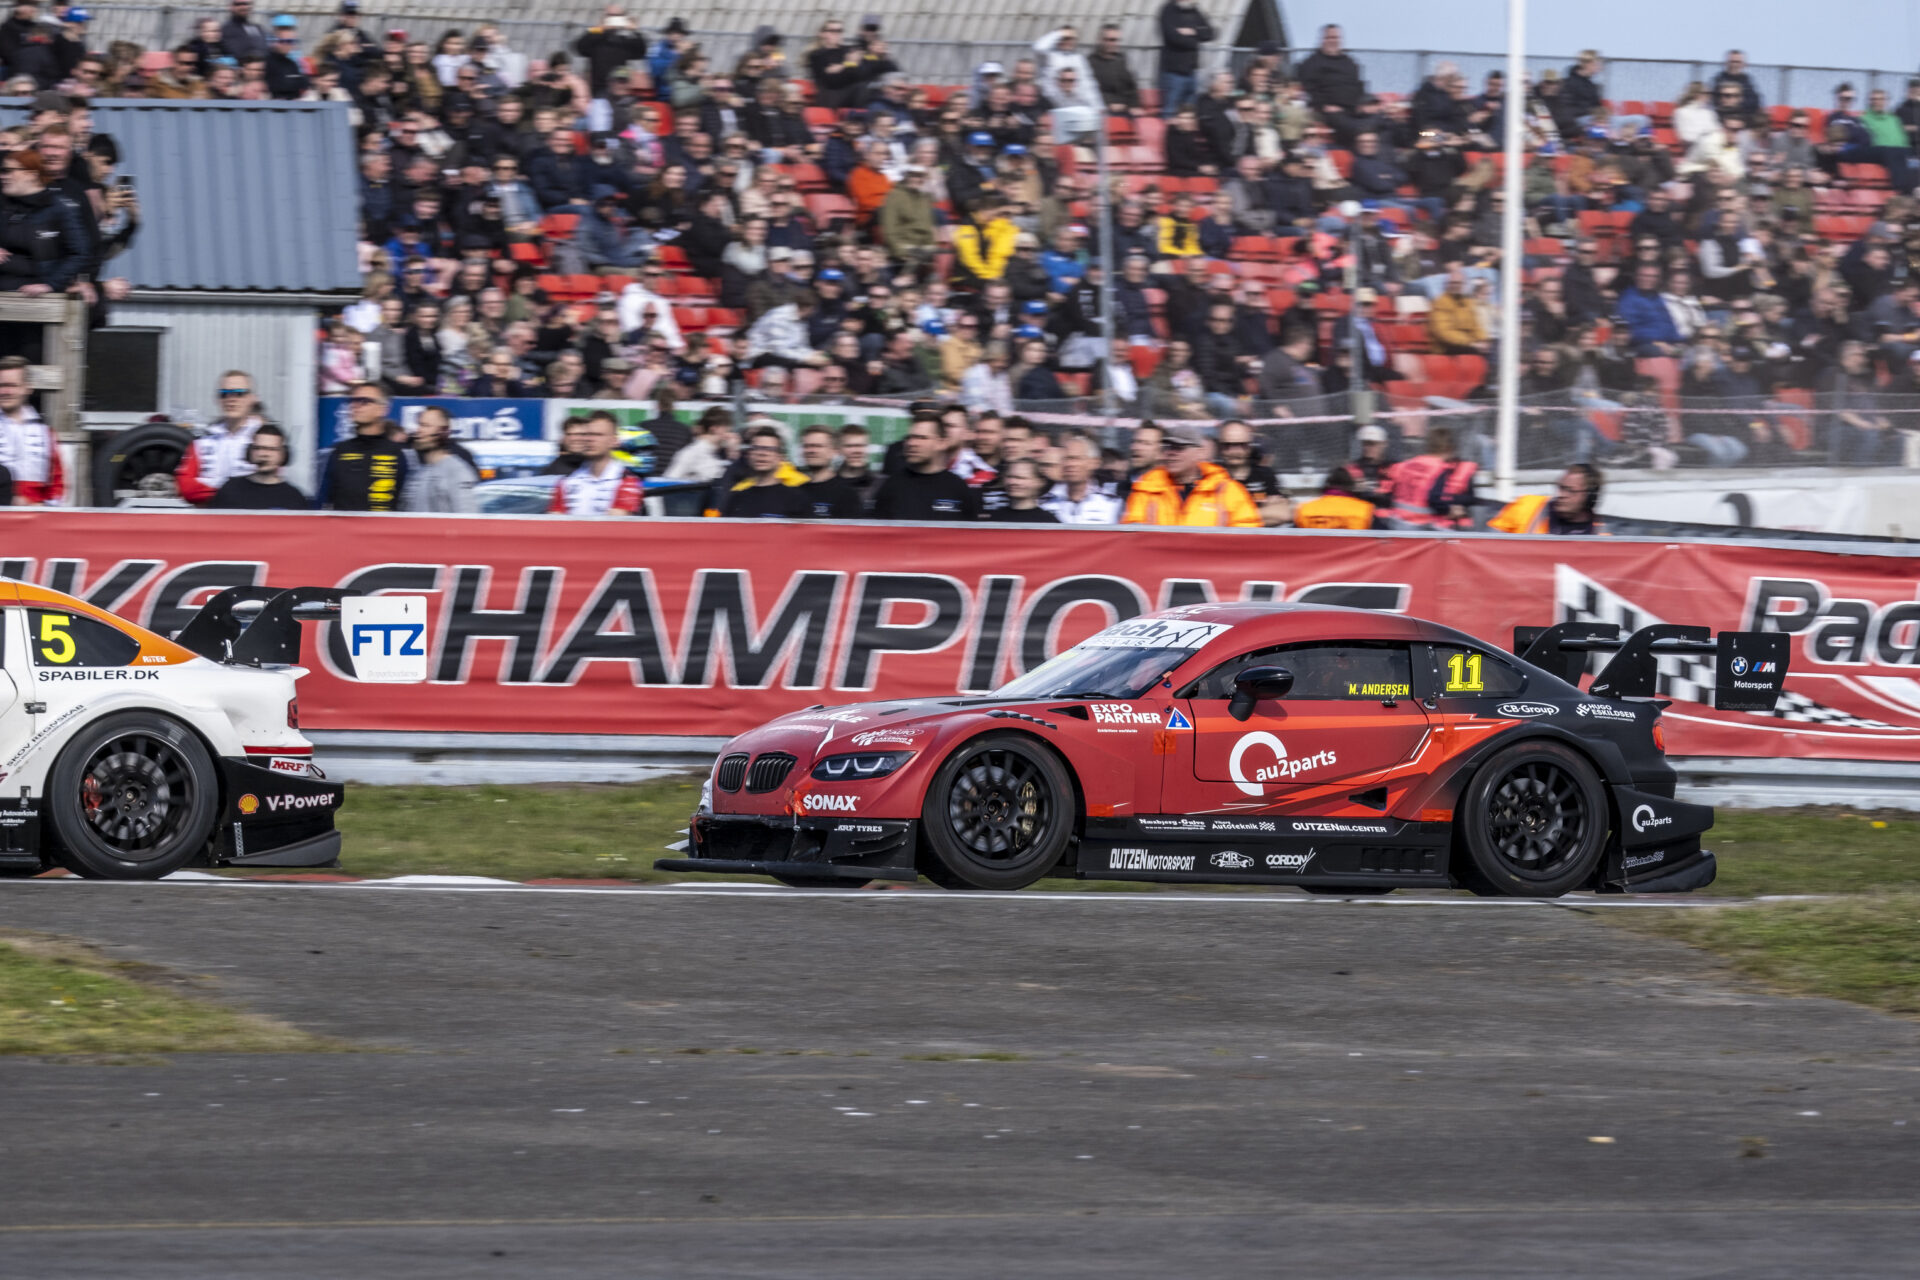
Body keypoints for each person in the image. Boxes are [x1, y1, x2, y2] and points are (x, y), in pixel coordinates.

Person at [1121, 424, 1261, 527]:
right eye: (1167, 447)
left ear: (1199, 452)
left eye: (1179, 448)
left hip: (1211, 565)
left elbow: (1248, 535)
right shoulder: (1146, 489)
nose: (1171, 453)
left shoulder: (1227, 490)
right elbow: (1132, 535)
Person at [174, 369, 266, 504]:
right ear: (217, 399)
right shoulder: (202, 441)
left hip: (252, 520)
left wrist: (211, 487)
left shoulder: (265, 437)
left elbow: (268, 486)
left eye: (239, 393)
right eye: (224, 394)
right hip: (210, 520)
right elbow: (186, 488)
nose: (231, 399)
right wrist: (233, 493)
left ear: (253, 398)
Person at [870, 414, 980, 520]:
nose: (912, 443)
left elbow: (970, 535)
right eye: (909, 437)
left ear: (942, 443)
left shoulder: (958, 488)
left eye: (922, 438)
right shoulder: (891, 486)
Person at [318, 382, 408, 511]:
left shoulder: (397, 453)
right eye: (353, 401)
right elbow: (323, 501)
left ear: (383, 409)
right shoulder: (339, 451)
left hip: (383, 529)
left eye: (364, 401)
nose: (355, 406)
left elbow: (406, 504)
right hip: (343, 530)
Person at [549, 410, 641, 515]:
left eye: (598, 435)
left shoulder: (627, 481)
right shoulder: (566, 482)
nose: (590, 439)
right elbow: (554, 523)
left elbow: (618, 525)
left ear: (614, 441)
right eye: (587, 434)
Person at [0, 354, 60, 503]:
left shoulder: (44, 431)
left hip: (37, 519)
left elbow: (57, 482)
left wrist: (49, 510)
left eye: (12, 386)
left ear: (27, 388)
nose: (5, 392)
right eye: (1, 385)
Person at [718, 424, 810, 518]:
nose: (762, 453)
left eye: (769, 449)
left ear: (780, 457)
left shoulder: (796, 498)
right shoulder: (736, 499)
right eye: (757, 448)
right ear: (749, 455)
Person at [210, 425, 309, 510]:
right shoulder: (230, 489)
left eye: (271, 449)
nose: (263, 454)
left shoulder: (293, 496)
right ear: (249, 452)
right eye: (257, 448)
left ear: (283, 455)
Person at [1489, 463, 1606, 535]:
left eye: (1570, 490)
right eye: (1560, 488)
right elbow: (1487, 544)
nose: (1561, 494)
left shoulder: (1601, 538)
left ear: (1589, 496)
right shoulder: (1527, 507)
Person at [404, 404, 480, 513]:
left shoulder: (456, 471)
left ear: (444, 432)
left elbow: (468, 518)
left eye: (425, 426)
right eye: (419, 425)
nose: (419, 430)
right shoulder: (420, 471)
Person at [1215, 420, 1288, 525]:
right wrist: (1264, 513)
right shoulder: (1211, 476)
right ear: (1220, 447)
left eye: (1242, 445)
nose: (1235, 451)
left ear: (1250, 446)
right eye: (1228, 445)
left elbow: (1283, 514)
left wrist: (1232, 517)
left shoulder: (1265, 475)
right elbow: (1208, 518)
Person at [1041, 431, 1121, 524]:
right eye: (1066, 459)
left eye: (1076, 458)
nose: (1070, 464)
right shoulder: (1045, 502)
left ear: (1094, 463)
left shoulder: (1112, 504)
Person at [1156, 0, 1213, 118]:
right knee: (1170, 112)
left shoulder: (1194, 11)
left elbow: (1209, 33)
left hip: (1191, 71)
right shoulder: (1169, 10)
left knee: (1189, 113)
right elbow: (1172, 37)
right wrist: (1195, 40)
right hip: (1173, 72)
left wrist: (1193, 31)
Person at [795, 425, 864, 518]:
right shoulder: (795, 492)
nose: (811, 450)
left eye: (818, 446)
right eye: (807, 446)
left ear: (833, 451)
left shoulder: (847, 494)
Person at [1292, 467, 1376, 530]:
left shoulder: (1304, 510)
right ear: (1350, 487)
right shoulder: (1365, 510)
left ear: (1325, 486)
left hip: (1316, 552)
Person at [983, 457, 1059, 523]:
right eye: (1009, 477)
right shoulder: (994, 519)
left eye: (1020, 478)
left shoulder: (1048, 522)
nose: (1012, 482)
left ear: (1039, 482)